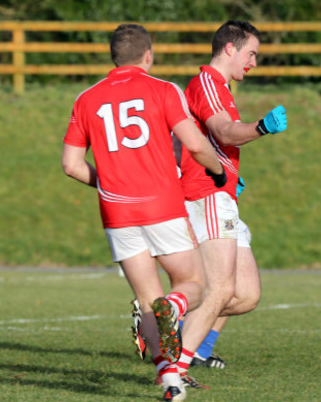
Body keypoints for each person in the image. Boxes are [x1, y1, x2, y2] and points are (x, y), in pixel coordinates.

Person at [61, 23, 227, 402]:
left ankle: (170, 380)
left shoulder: (86, 98)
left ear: (113, 57)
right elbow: (197, 146)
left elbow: (71, 165)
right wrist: (217, 171)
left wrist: (108, 184)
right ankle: (174, 307)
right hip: (162, 205)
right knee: (192, 285)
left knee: (147, 297)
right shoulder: (164, 89)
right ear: (148, 55)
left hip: (117, 213)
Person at [175, 20, 288, 381]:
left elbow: (216, 142)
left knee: (246, 295)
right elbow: (224, 131)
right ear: (229, 48)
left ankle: (174, 332)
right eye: (251, 53)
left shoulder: (221, 89)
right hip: (206, 194)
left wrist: (234, 176)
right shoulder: (207, 82)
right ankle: (174, 358)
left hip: (222, 193)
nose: (253, 62)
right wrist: (261, 127)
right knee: (221, 289)